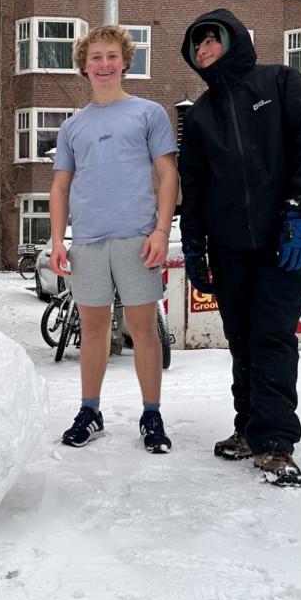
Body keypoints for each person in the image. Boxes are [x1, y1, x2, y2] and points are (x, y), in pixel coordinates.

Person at [177, 9, 301, 488]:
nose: (203, 50)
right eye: (196, 45)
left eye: (211, 40)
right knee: (241, 339)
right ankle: (249, 428)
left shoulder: (280, 83)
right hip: (229, 250)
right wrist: (195, 248)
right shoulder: (201, 114)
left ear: (233, 39)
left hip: (285, 239)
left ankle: (276, 443)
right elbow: (194, 189)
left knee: (272, 337)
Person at [49, 25, 180, 453]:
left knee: (141, 330)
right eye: (95, 58)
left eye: (111, 56)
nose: (103, 65)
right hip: (87, 241)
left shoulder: (149, 113)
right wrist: (57, 240)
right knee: (93, 329)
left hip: (137, 239)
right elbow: (61, 187)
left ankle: (152, 415)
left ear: (125, 61)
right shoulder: (73, 126)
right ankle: (90, 412)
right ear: (83, 67)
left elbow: (167, 174)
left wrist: (162, 230)